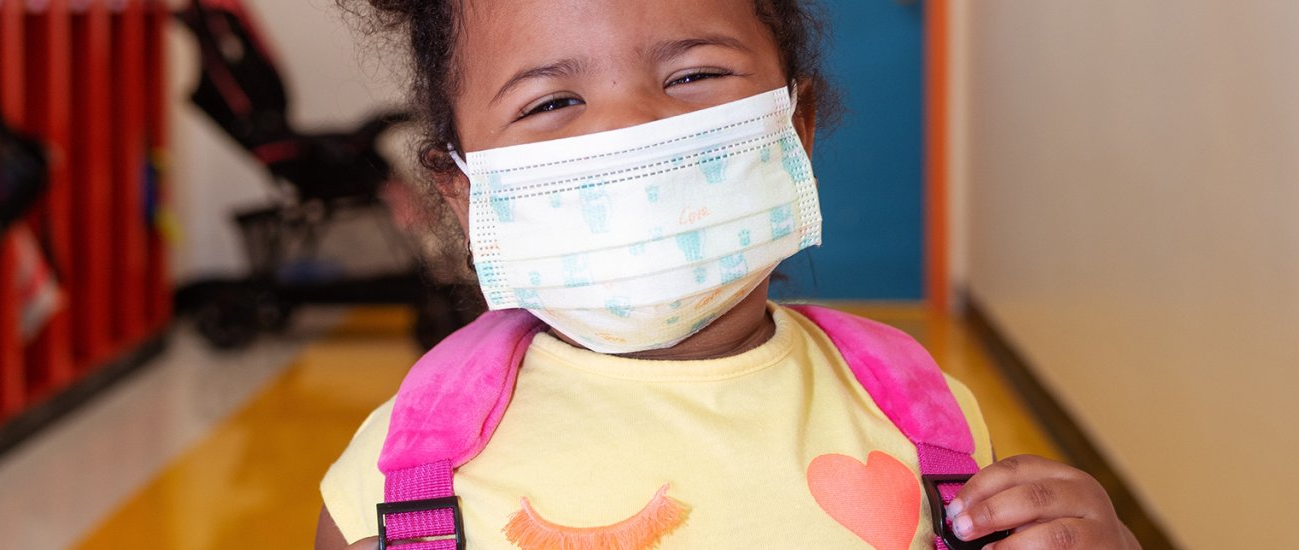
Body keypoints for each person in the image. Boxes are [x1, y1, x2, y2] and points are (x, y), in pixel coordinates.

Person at [317, 0, 1141, 548]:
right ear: (464, 192)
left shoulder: (926, 423)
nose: (634, 124)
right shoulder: (402, 475)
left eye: (692, 76)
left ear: (795, 128)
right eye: (550, 102)